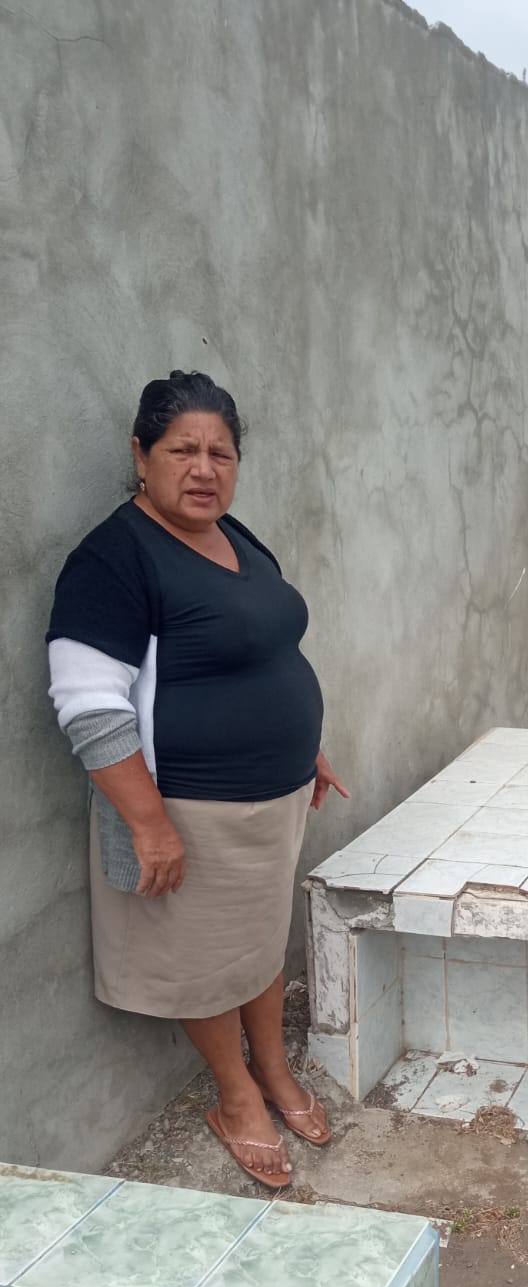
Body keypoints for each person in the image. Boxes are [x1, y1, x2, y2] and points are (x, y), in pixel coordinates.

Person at [47, 371, 348, 1188]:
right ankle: (236, 1094)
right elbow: (88, 707)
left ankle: (274, 1068)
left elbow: (265, 650)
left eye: (221, 453)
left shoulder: (233, 535)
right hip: (191, 806)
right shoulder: (113, 559)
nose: (204, 469)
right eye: (183, 450)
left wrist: (307, 747)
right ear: (140, 455)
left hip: (274, 795)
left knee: (259, 944)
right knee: (204, 961)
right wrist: (148, 824)